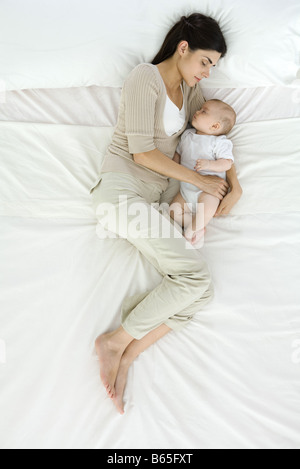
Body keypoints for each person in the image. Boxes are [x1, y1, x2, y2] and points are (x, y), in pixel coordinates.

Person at [90, 13, 243, 414]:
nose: (207, 72)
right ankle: (114, 341)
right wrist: (199, 179)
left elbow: (214, 133)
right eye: (205, 61)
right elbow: (142, 152)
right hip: (121, 191)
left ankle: (130, 350)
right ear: (183, 48)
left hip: (152, 200)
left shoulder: (192, 95)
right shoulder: (146, 77)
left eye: (213, 66)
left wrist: (233, 182)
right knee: (194, 277)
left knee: (201, 290)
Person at [169, 99, 237, 248]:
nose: (197, 112)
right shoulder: (187, 136)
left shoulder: (219, 142)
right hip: (186, 189)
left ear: (215, 126)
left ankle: (191, 231)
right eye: (200, 109)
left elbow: (227, 163)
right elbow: (178, 154)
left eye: (203, 111)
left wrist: (210, 164)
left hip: (208, 190)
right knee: (174, 210)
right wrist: (173, 165)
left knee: (208, 207)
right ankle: (195, 225)